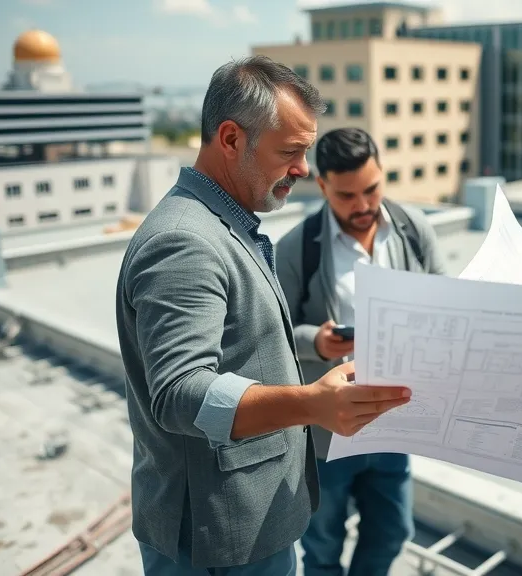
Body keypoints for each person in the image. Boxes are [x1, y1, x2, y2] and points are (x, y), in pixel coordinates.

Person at [115, 56, 411, 576]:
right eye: (291, 152)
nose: (302, 169)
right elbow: (180, 393)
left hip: (243, 525)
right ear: (230, 139)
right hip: (218, 537)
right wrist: (312, 405)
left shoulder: (219, 225)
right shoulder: (186, 241)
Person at [274, 127, 447, 576]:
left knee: (392, 533)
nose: (364, 205)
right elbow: (270, 333)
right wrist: (317, 340)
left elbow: (448, 307)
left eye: (371, 189)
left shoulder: (414, 230)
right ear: (323, 185)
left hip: (395, 425)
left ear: (383, 174)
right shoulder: (296, 248)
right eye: (347, 196)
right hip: (327, 438)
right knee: (323, 549)